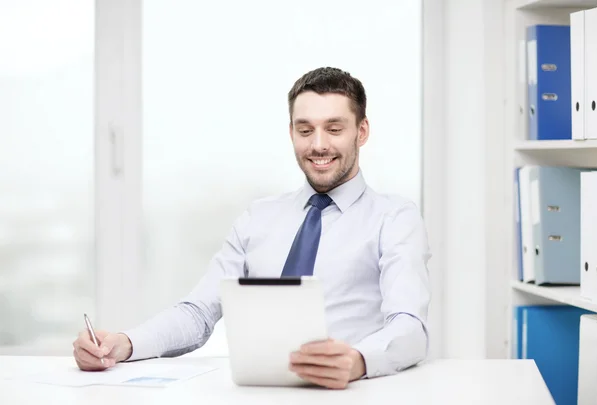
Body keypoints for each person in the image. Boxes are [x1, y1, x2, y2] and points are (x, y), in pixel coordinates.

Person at [72, 66, 431, 390]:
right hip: (257, 395)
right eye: (305, 130)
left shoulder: (394, 218)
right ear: (291, 132)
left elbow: (410, 326)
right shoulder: (258, 218)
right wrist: (123, 344)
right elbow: (197, 312)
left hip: (348, 394)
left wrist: (358, 361)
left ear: (361, 131)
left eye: (334, 129)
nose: (319, 144)